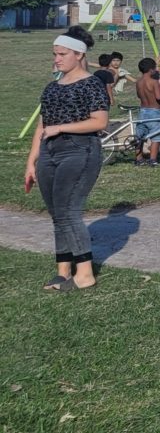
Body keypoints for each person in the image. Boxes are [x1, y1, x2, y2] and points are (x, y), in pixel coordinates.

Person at [23, 27, 110, 289]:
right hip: (50, 152)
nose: (56, 59)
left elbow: (100, 121)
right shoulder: (51, 87)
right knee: (56, 213)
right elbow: (42, 125)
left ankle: (84, 274)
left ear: (79, 54)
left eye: (62, 54)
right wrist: (31, 161)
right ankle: (63, 270)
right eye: (55, 54)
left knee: (69, 210)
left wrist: (61, 128)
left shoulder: (91, 84)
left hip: (80, 150)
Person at [133, 57, 160, 166]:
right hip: (154, 111)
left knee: (139, 136)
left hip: (142, 111)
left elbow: (138, 95)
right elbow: (158, 96)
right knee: (157, 135)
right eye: (155, 68)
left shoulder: (138, 82)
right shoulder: (154, 82)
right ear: (151, 70)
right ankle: (153, 159)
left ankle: (139, 159)